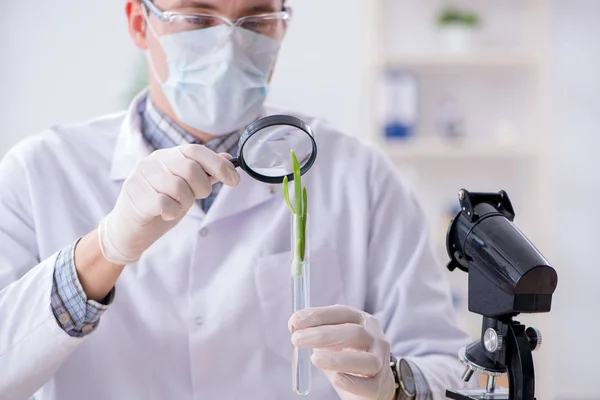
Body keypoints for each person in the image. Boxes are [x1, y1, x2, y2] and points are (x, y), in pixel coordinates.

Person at [0, 1, 473, 399]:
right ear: (139, 22)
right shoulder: (38, 171)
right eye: (198, 18)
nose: (228, 46)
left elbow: (450, 368)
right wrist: (103, 250)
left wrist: (395, 385)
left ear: (282, 24)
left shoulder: (361, 175)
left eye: (256, 19)